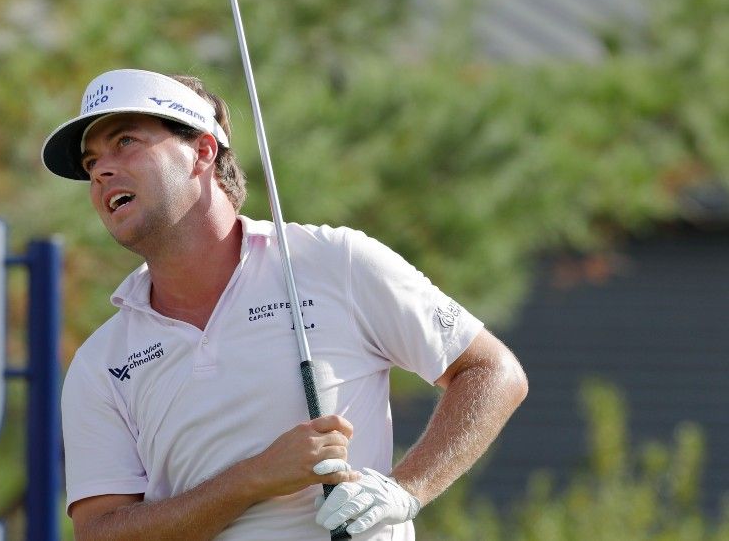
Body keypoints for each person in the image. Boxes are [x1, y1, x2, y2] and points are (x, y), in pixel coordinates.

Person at [43, 68, 528, 540]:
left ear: (202, 151)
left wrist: (405, 492)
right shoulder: (100, 363)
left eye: (125, 141)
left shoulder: (332, 261)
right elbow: (101, 533)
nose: (102, 170)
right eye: (90, 164)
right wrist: (253, 478)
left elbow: (492, 370)